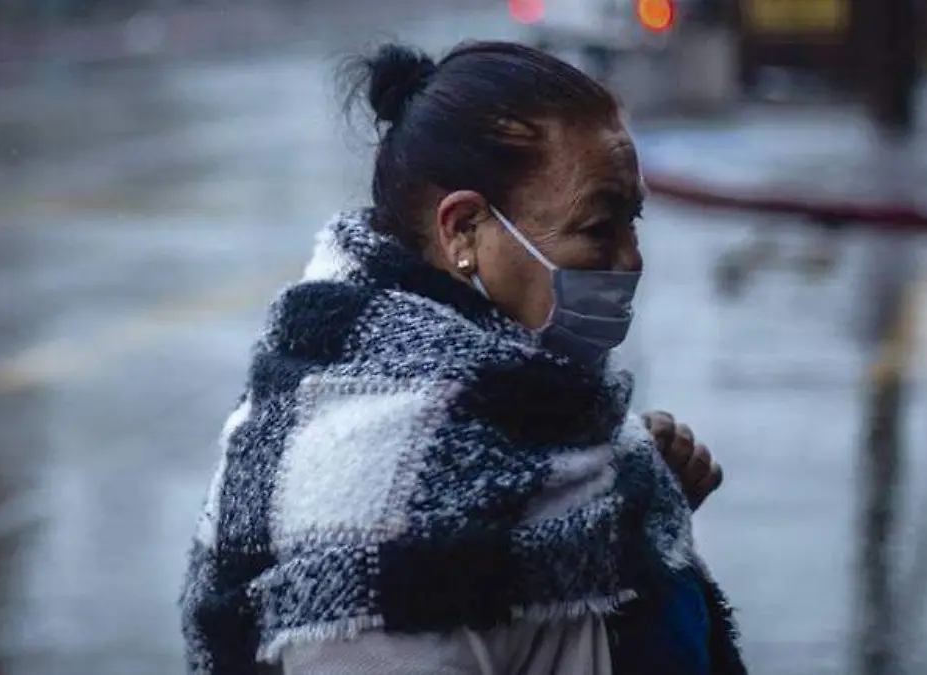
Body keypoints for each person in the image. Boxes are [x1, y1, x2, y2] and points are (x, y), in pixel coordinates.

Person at [180, 41, 746, 675]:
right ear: (465, 229)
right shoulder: (373, 496)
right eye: (597, 228)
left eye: (632, 221)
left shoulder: (537, 418)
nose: (631, 259)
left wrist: (644, 501)